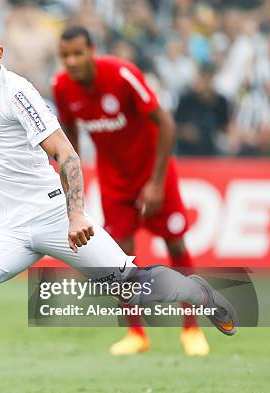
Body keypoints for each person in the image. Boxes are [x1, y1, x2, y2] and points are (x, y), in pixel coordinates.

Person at [0, 12, 236, 393]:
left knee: (132, 284)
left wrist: (75, 216)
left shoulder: (18, 93)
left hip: (54, 217)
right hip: (8, 231)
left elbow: (66, 154)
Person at [52, 26, 210, 356]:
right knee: (119, 258)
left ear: (92, 50)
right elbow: (69, 143)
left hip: (155, 175)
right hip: (115, 183)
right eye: (65, 55)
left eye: (78, 53)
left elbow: (165, 123)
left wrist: (155, 183)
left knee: (176, 244)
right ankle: (136, 333)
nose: (72, 61)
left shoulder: (123, 75)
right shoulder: (62, 88)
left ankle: (192, 329)